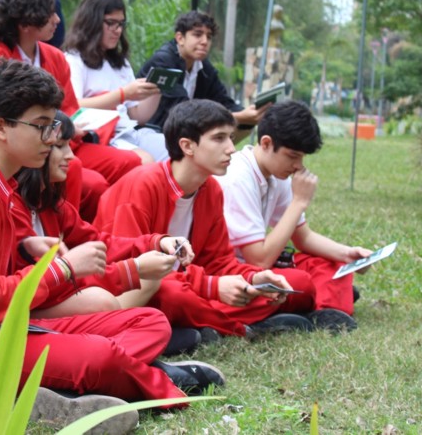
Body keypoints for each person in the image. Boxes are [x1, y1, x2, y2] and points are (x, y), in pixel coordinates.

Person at [0, 59, 224, 431]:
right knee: (101, 355)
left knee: (146, 323)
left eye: (52, 127)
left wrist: (29, 253)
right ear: (0, 128)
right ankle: (146, 381)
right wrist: (64, 267)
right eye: (42, 127)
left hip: (8, 328)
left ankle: (82, 387)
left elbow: (89, 244)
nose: (52, 141)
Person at [95, 99, 318, 339]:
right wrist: (213, 287)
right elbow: (138, 270)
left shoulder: (210, 189)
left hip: (192, 286)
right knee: (173, 295)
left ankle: (198, 326)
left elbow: (219, 263)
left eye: (231, 137)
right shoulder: (143, 184)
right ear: (187, 146)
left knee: (299, 283)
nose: (231, 148)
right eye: (219, 138)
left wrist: (253, 278)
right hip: (138, 289)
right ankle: (236, 328)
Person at [0, 0, 141, 220]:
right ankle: (61, 235)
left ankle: (109, 236)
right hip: (21, 145)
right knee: (84, 177)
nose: (57, 20)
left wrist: (74, 127)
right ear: (25, 23)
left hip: (64, 142)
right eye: (49, 14)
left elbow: (70, 109)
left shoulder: (53, 56)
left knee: (131, 163)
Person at [12, 111, 193, 319]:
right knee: (100, 300)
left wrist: (157, 242)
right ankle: (125, 327)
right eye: (60, 146)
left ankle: (124, 327)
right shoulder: (13, 206)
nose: (71, 155)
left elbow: (99, 242)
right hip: (29, 307)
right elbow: (47, 285)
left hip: (58, 295)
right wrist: (132, 269)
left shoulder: (50, 202)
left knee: (148, 281)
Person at [215, 100, 370, 331]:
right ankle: (319, 299)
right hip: (233, 269)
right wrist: (299, 202)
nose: (298, 166)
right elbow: (259, 260)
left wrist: (348, 254)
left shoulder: (277, 175)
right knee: (300, 283)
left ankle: (327, 310)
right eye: (292, 156)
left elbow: (303, 238)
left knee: (332, 263)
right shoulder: (238, 177)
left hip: (259, 266)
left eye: (302, 158)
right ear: (266, 143)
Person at [64, 0, 167, 163]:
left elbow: (136, 115)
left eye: (121, 24)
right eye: (110, 23)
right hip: (101, 136)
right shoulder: (74, 59)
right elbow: (74, 106)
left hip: (130, 132)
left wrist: (156, 90)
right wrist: (122, 94)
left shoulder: (120, 63)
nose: (117, 30)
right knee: (145, 161)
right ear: (92, 22)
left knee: (184, 153)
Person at [137, 11, 267, 143]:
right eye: (197, 34)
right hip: (151, 132)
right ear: (180, 38)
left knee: (244, 126)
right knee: (216, 134)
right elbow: (182, 109)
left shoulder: (203, 67)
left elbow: (223, 101)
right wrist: (238, 117)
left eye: (209, 37)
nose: (205, 41)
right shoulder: (164, 61)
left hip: (180, 132)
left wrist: (250, 113)